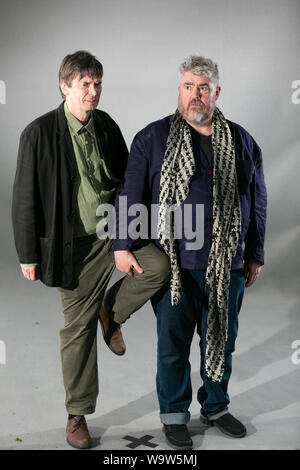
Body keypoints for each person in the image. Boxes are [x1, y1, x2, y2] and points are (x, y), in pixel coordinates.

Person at [11, 50, 170, 449]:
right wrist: (28, 253)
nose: (93, 92)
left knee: (157, 267)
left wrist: (127, 234)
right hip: (72, 248)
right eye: (85, 84)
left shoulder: (106, 126)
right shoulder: (38, 133)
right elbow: (24, 198)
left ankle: (110, 311)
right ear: (65, 86)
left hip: (112, 232)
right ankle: (77, 414)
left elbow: (126, 181)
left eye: (98, 84)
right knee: (77, 330)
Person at [113, 55, 267, 450]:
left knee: (221, 339)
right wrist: (121, 245)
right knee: (174, 344)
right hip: (175, 263)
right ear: (178, 90)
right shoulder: (152, 138)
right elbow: (131, 193)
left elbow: (257, 198)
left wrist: (256, 253)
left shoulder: (242, 141)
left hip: (227, 263)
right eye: (188, 87)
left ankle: (215, 406)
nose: (195, 95)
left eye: (203, 88)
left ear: (216, 92)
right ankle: (174, 415)